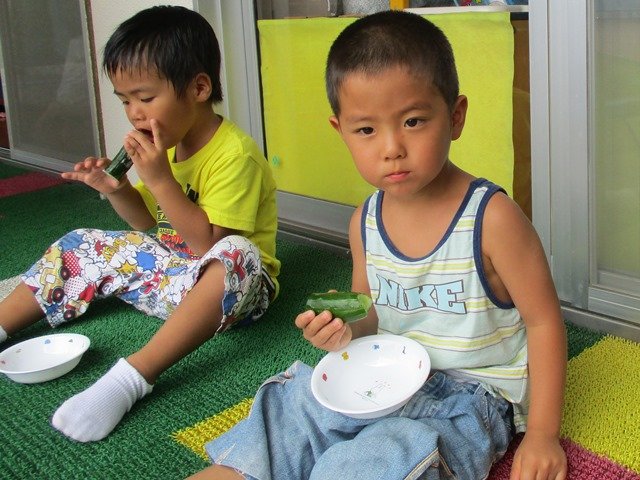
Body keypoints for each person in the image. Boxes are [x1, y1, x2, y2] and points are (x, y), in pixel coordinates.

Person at [192, 10, 567, 480]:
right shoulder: (364, 222)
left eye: (413, 121)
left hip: (467, 396)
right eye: (366, 129)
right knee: (293, 410)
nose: (391, 147)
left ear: (455, 116)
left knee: (380, 458)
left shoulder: (491, 218)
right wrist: (342, 330)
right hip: (381, 373)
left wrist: (542, 434)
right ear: (341, 131)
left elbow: (544, 320)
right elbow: (370, 314)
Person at [0, 6, 280, 443]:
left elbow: (209, 244)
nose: (133, 113)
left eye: (145, 98)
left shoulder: (234, 156)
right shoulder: (166, 146)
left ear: (199, 88)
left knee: (236, 254)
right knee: (82, 242)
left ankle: (131, 378)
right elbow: (147, 221)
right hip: (174, 279)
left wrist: (161, 179)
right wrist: (114, 188)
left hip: (234, 296)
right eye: (125, 100)